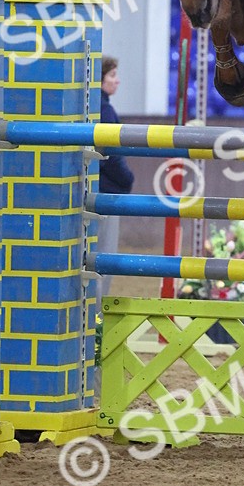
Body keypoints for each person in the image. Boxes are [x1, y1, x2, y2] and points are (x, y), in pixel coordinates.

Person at [97, 56, 135, 302]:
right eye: (112, 75)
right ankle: (96, 314)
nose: (117, 81)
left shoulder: (95, 108)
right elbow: (111, 157)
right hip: (107, 192)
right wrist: (127, 179)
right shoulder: (106, 111)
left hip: (97, 189)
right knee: (104, 255)